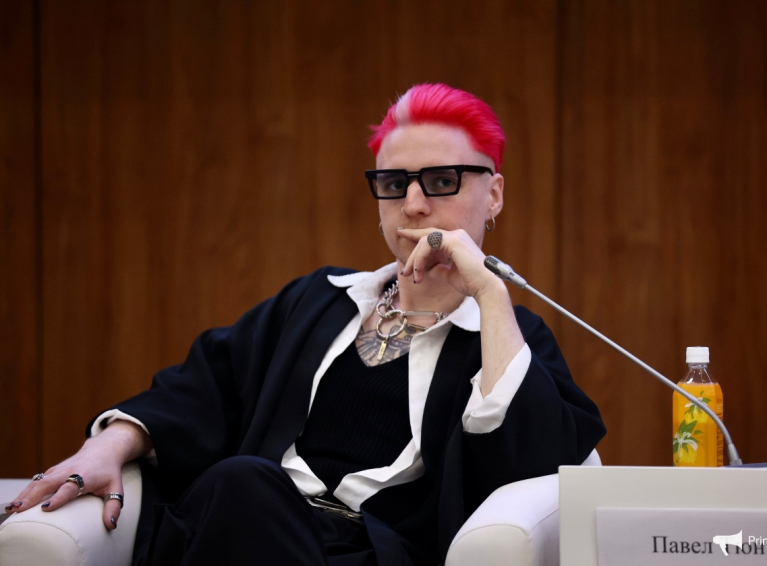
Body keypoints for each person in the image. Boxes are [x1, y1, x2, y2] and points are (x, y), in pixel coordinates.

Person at [5, 83, 606, 566]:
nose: (414, 205)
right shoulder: (316, 301)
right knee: (242, 486)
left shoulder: (508, 337)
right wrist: (107, 445)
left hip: (374, 553)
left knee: (243, 486)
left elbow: (533, 463)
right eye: (393, 183)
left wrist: (489, 293)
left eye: (443, 181)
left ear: (493, 195)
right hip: (247, 527)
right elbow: (200, 391)